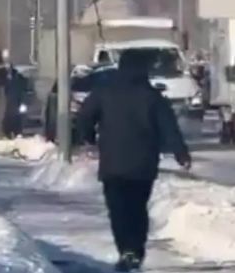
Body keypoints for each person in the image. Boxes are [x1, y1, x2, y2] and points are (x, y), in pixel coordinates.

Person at [76, 49, 192, 272]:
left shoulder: (104, 92)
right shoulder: (152, 96)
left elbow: (84, 117)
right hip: (143, 164)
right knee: (138, 208)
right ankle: (136, 250)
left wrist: (88, 138)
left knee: (118, 209)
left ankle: (125, 250)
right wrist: (181, 154)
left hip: (113, 163)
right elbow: (169, 128)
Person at [2, 65, 27, 139]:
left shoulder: (18, 78)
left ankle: (15, 132)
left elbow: (22, 89)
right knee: (10, 117)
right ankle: (10, 132)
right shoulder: (6, 78)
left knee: (15, 116)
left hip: (15, 101)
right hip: (11, 101)